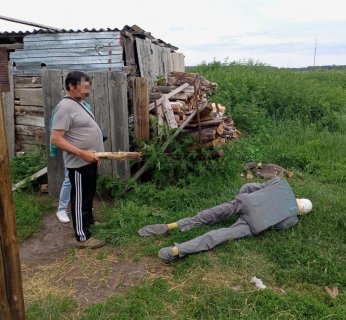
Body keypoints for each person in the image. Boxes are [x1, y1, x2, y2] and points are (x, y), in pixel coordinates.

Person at [138, 177, 313, 262]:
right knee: (219, 235)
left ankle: (170, 226)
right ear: (301, 213)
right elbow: (277, 226)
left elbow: (250, 186)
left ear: (298, 197)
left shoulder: (282, 183)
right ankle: (175, 251)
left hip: (245, 203)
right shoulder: (292, 219)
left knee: (210, 214)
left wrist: (240, 201)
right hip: (253, 225)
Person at [51, 70, 105, 249]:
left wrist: (96, 155)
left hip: (90, 160)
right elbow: (56, 139)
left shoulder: (79, 104)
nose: (87, 90)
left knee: (88, 195)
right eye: (84, 87)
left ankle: (89, 222)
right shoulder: (64, 107)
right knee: (80, 198)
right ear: (71, 87)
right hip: (79, 163)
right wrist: (83, 153)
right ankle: (83, 237)